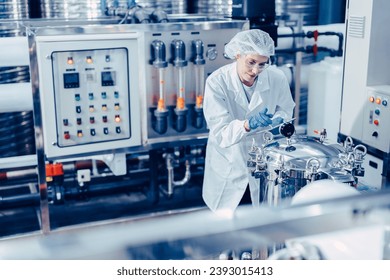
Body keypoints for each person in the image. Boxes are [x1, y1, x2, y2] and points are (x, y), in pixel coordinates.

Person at [202, 29, 295, 212]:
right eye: (251, 62)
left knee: (260, 217)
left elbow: (286, 109)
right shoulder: (217, 82)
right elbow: (220, 132)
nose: (255, 71)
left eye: (262, 64)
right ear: (238, 54)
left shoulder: (277, 78)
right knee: (227, 223)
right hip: (229, 164)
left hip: (264, 164)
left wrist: (277, 120)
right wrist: (247, 124)